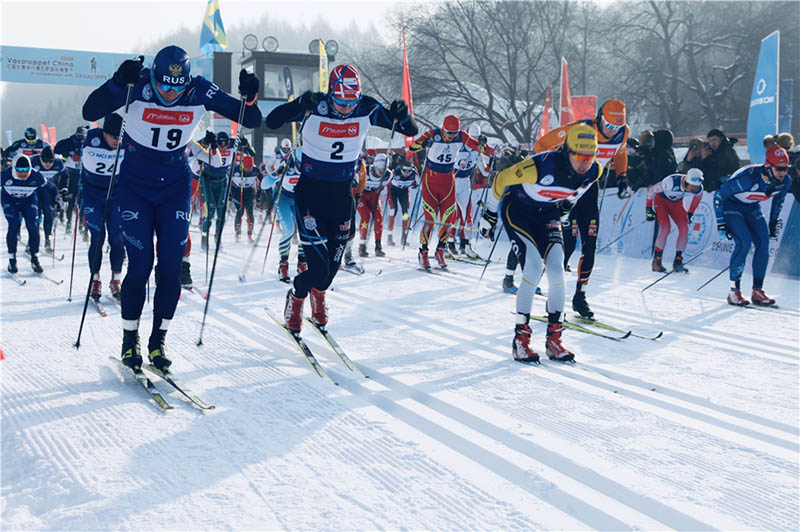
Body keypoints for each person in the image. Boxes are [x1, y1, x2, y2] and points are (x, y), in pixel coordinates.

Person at [82, 45, 261, 371]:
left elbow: (251, 117)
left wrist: (250, 97)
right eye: (164, 85)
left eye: (176, 88)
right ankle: (130, 340)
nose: (169, 93)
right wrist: (117, 83)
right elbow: (89, 110)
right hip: (135, 186)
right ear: (154, 76)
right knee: (140, 266)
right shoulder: (138, 86)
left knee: (169, 267)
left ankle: (158, 341)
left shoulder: (199, 89)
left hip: (175, 186)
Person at [265, 63, 417, 333]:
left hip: (342, 194)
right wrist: (298, 104)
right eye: (339, 102)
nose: (346, 108)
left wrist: (402, 115)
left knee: (333, 266)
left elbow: (410, 131)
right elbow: (273, 120)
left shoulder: (366, 108)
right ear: (331, 93)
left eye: (351, 102)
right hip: (310, 192)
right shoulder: (316, 105)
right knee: (317, 267)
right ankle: (297, 298)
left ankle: (319, 296)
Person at [479, 124, 602, 363]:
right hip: (519, 212)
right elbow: (502, 179)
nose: (585, 163)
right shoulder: (541, 166)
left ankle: (554, 339)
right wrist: (490, 215)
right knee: (534, 268)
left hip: (547, 214)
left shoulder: (593, 171)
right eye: (579, 157)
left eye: (590, 157)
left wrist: (567, 206)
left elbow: (582, 187)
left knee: (557, 271)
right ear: (567, 151)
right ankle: (520, 341)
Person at [534, 99, 630, 320]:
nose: (612, 131)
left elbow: (620, 152)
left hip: (589, 190)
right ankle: (554, 297)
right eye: (608, 125)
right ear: (599, 118)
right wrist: (549, 170)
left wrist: (622, 176)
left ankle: (580, 297)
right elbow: (541, 145)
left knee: (590, 243)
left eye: (616, 127)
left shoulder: (622, 133)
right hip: (566, 190)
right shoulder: (580, 130)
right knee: (564, 245)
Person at [409, 114, 492, 270]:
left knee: (449, 218)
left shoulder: (462, 136)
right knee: (431, 218)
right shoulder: (433, 134)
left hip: (449, 182)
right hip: (430, 182)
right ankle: (424, 251)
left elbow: (479, 148)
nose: (451, 136)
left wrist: (488, 148)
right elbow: (412, 147)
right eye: (448, 133)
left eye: (454, 133)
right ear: (443, 129)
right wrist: (425, 143)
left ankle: (441, 249)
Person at [714, 145, 790, 307]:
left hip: (751, 207)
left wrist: (773, 223)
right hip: (731, 205)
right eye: (779, 169)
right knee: (744, 242)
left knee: (763, 243)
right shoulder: (748, 179)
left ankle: (757, 291)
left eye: (786, 169)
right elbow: (719, 195)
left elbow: (778, 202)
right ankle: (734, 292)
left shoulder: (785, 182)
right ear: (769, 166)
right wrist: (721, 224)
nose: (783, 173)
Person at [80, 114, 127, 302]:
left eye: (120, 137)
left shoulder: (126, 140)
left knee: (117, 238)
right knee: (98, 238)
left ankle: (116, 280)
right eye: (114, 137)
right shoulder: (92, 138)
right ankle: (95, 280)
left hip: (116, 195)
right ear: (105, 133)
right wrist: (75, 140)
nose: (117, 141)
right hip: (93, 196)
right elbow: (61, 148)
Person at [646, 168, 704, 273]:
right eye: (693, 186)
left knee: (684, 228)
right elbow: (651, 190)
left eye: (696, 187)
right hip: (661, 202)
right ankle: (657, 261)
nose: (694, 189)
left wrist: (690, 213)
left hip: (676, 204)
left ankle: (678, 261)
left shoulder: (698, 189)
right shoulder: (670, 182)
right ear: (687, 182)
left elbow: (697, 198)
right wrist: (648, 209)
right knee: (666, 228)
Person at [2, 154, 46, 274]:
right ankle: (12, 260)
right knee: (14, 225)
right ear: (13, 168)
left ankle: (35, 258)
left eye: (26, 170)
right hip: (10, 200)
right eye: (19, 170)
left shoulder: (36, 176)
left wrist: (56, 200)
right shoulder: (5, 175)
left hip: (28, 200)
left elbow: (48, 189)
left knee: (33, 226)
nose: (22, 173)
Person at [451, 123, 488, 258]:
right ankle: (447, 244)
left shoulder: (478, 150)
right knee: (452, 215)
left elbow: (484, 170)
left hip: (465, 183)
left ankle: (467, 246)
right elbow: (452, 161)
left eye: (476, 138)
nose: (474, 141)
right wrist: (459, 163)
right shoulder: (459, 146)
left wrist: (492, 165)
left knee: (468, 216)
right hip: (452, 182)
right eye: (472, 138)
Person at [200, 130, 235, 250]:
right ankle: (204, 238)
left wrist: (246, 144)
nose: (223, 148)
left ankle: (217, 237)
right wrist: (205, 141)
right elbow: (197, 146)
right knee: (209, 212)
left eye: (225, 146)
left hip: (222, 181)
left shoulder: (234, 143)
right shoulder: (211, 143)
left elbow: (251, 152)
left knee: (221, 212)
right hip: (208, 180)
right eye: (220, 146)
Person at [357, 153, 392, 257]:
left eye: (384, 167)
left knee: (378, 218)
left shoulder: (388, 175)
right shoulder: (365, 170)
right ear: (375, 165)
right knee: (366, 216)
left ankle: (378, 246)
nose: (381, 170)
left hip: (374, 196)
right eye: (380, 167)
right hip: (361, 195)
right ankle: (362, 246)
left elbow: (384, 186)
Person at [30, 146, 64, 253]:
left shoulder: (58, 163)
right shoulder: (33, 161)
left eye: (50, 161)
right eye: (45, 161)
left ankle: (47, 241)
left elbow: (65, 176)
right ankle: (31, 243)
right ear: (40, 158)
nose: (48, 164)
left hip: (49, 192)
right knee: (36, 217)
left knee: (49, 214)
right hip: (35, 192)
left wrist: (64, 189)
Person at [54, 126, 87, 230]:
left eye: (83, 138)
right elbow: (57, 151)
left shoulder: (88, 143)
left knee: (82, 199)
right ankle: (68, 222)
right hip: (70, 173)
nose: (81, 140)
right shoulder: (67, 143)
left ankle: (82, 224)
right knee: (71, 198)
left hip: (84, 174)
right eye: (79, 137)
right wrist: (68, 154)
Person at [386, 159, 420, 247]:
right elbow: (386, 180)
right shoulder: (395, 172)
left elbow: (420, 184)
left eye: (409, 171)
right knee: (393, 210)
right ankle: (389, 236)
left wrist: (417, 185)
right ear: (401, 169)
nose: (406, 173)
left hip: (404, 191)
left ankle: (404, 236)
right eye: (404, 170)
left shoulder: (414, 174)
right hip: (393, 191)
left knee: (405, 213)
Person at [231, 154, 262, 243]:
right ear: (243, 166)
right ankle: (238, 234)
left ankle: (250, 234)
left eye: (250, 167)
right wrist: (230, 195)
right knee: (240, 211)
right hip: (237, 191)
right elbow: (227, 179)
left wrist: (258, 195)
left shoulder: (256, 170)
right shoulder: (236, 169)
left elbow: (262, 181)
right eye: (247, 167)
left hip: (249, 191)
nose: (249, 169)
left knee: (250, 212)